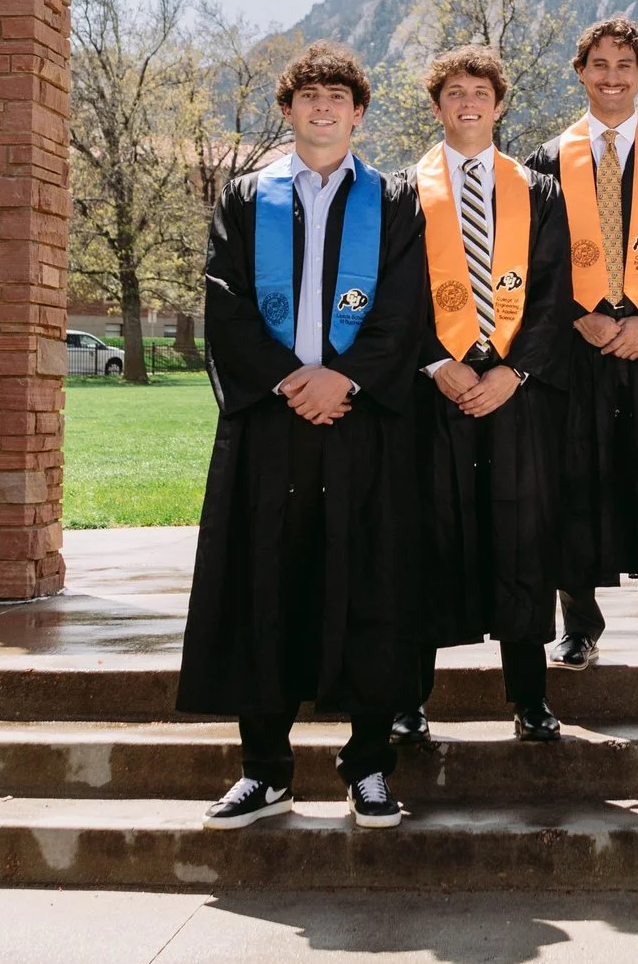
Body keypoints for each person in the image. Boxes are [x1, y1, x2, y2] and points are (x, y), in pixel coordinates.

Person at [177, 41, 428, 831]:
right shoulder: (247, 198)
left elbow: (405, 308)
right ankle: (265, 769)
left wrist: (343, 380)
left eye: (338, 98)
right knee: (265, 584)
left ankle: (369, 766)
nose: (323, 108)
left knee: (371, 587)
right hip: (273, 426)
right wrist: (293, 380)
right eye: (309, 97)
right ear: (286, 110)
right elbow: (226, 304)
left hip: (361, 425)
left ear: (358, 112)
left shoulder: (393, 200)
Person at [398, 45, 573, 747]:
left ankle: (529, 696)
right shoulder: (402, 190)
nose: (468, 101)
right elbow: (392, 300)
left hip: (514, 395)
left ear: (500, 104)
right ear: (437, 105)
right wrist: (435, 362)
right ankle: (410, 697)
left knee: (522, 540)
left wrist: (514, 371)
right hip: (433, 395)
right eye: (453, 92)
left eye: (480, 91)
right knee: (425, 540)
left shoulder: (537, 190)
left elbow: (555, 295)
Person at [526, 17, 638, 671]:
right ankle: (579, 623)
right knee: (574, 477)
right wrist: (582, 316)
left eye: (623, 64)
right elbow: (538, 256)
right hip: (578, 351)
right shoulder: (550, 158)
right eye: (598, 63)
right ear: (580, 71)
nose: (611, 75)